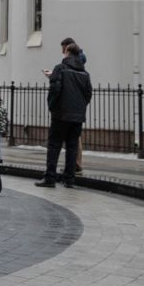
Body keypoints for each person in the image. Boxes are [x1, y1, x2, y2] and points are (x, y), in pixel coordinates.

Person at [39, 38, 91, 187]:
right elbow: (88, 94)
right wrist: (80, 109)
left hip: (60, 115)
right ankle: (69, 179)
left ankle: (50, 178)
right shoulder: (85, 74)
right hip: (77, 117)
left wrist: (52, 107)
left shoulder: (60, 68)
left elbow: (55, 90)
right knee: (72, 147)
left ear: (67, 51)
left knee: (54, 146)